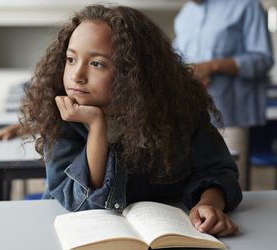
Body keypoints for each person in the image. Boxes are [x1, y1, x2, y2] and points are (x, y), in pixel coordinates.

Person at [19, 5, 242, 236]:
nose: (76, 75)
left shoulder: (180, 114)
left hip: (170, 232)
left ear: (134, 72)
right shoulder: (62, 122)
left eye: (97, 63)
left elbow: (217, 171)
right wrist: (97, 127)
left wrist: (210, 204)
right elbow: (82, 202)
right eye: (71, 59)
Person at [173, 0, 274, 189]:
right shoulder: (185, 15)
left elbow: (263, 60)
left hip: (231, 116)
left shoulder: (246, 5)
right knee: (200, 186)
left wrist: (213, 66)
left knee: (232, 186)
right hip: (192, 118)